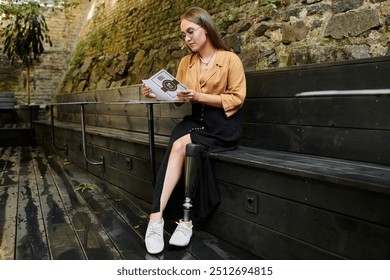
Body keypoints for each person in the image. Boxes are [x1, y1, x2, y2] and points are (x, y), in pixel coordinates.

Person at [141, 7, 246, 255]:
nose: (187, 38)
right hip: (196, 120)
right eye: (183, 34)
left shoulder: (230, 59)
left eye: (190, 32)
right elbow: (178, 99)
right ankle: (156, 220)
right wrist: (156, 93)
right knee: (178, 140)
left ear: (206, 28)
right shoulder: (186, 62)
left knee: (181, 144)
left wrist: (199, 95)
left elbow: (237, 98)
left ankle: (183, 221)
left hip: (223, 124)